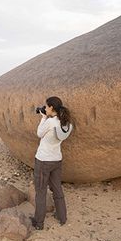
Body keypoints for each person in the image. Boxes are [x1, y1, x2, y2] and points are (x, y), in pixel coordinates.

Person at [31, 96, 72, 230]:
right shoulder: (64, 122)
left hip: (43, 160)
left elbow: (39, 133)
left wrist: (43, 118)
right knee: (57, 189)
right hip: (56, 160)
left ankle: (38, 223)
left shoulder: (49, 122)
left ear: (51, 108)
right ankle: (62, 217)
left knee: (41, 191)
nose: (45, 108)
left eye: (46, 106)